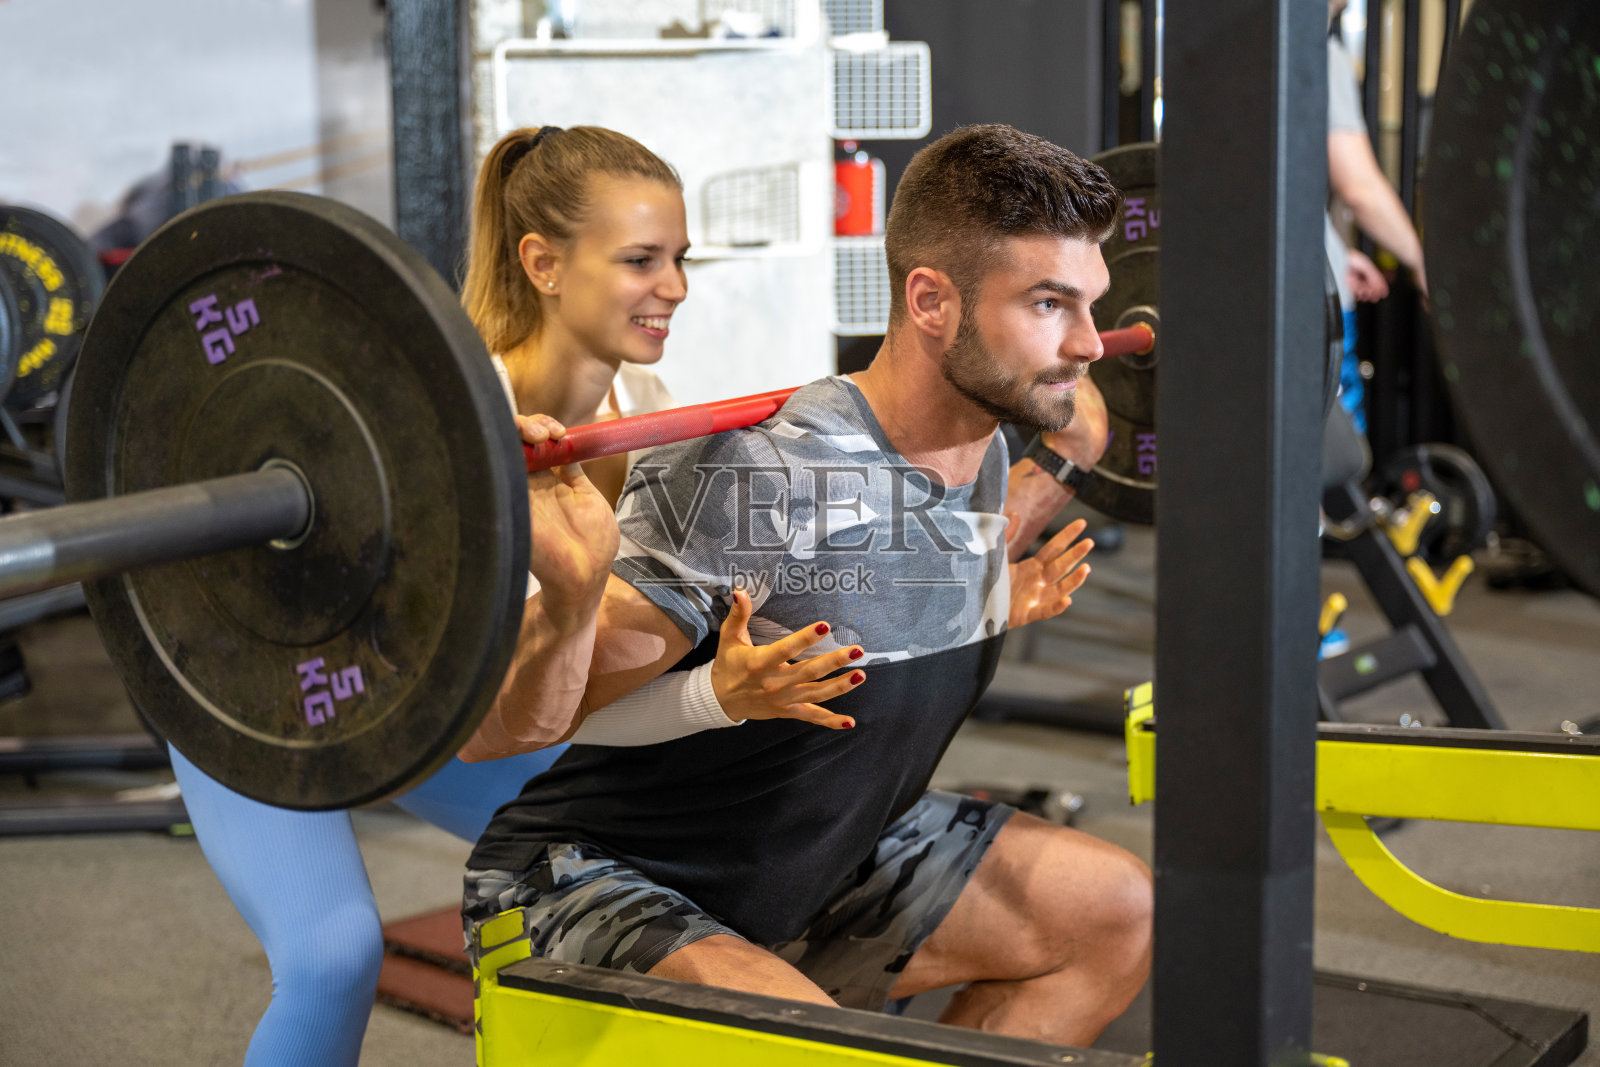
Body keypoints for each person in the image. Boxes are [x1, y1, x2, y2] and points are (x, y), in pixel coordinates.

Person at [171, 124, 859, 1067]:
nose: (677, 288)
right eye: (641, 260)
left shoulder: (646, 414)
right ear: (543, 262)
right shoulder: (441, 428)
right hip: (270, 677)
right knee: (333, 957)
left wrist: (720, 692)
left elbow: (562, 708)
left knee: (667, 842)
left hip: (449, 708)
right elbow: (497, 706)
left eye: (680, 259)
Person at [462, 124, 1152, 1048]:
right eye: (1047, 304)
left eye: (1091, 304)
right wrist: (582, 589)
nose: (1089, 344)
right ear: (931, 301)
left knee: (1113, 911)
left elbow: (931, 540)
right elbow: (509, 727)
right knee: (821, 1051)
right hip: (596, 879)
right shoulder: (761, 475)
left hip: (822, 866)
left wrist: (1073, 454)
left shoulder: (986, 446)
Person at [1325, 1, 1429, 431]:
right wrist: (1424, 263)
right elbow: (1360, 188)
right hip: (1313, 305)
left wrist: (1329, 248)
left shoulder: (1244, 46)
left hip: (1255, 293)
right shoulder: (1312, 52)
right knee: (1327, 467)